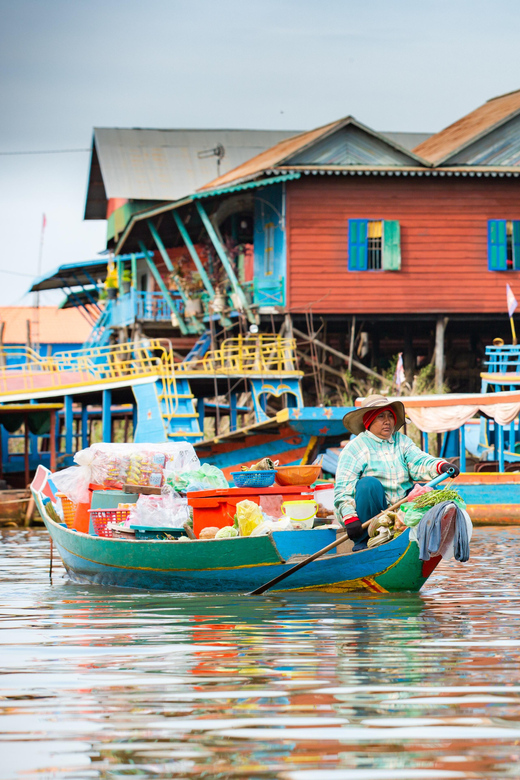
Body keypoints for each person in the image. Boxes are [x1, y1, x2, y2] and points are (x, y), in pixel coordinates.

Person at [334, 394, 460, 551]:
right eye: (380, 416)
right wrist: (349, 517)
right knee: (368, 485)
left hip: (402, 512)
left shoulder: (402, 441)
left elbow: (419, 461)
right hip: (372, 516)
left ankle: (417, 540)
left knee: (428, 491)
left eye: (390, 416)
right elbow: (342, 491)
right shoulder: (355, 448)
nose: (387, 421)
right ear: (369, 421)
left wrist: (441, 466)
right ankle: (366, 543)